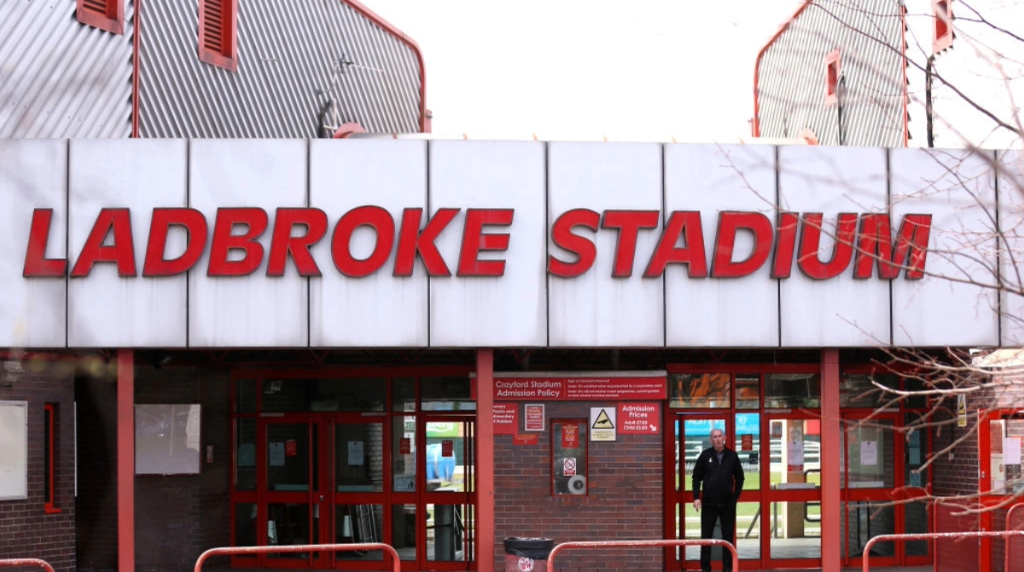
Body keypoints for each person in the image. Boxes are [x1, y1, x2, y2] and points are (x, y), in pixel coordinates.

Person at [692, 428, 744, 572]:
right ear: (711, 440)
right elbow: (696, 477)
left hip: (727, 504)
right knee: (706, 537)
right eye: (714, 437)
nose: (717, 439)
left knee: (727, 538)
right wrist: (696, 497)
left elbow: (740, 477)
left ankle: (727, 569)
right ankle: (706, 568)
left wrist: (735, 497)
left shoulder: (732, 456)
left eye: (720, 436)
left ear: (725, 438)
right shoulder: (705, 456)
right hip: (709, 503)